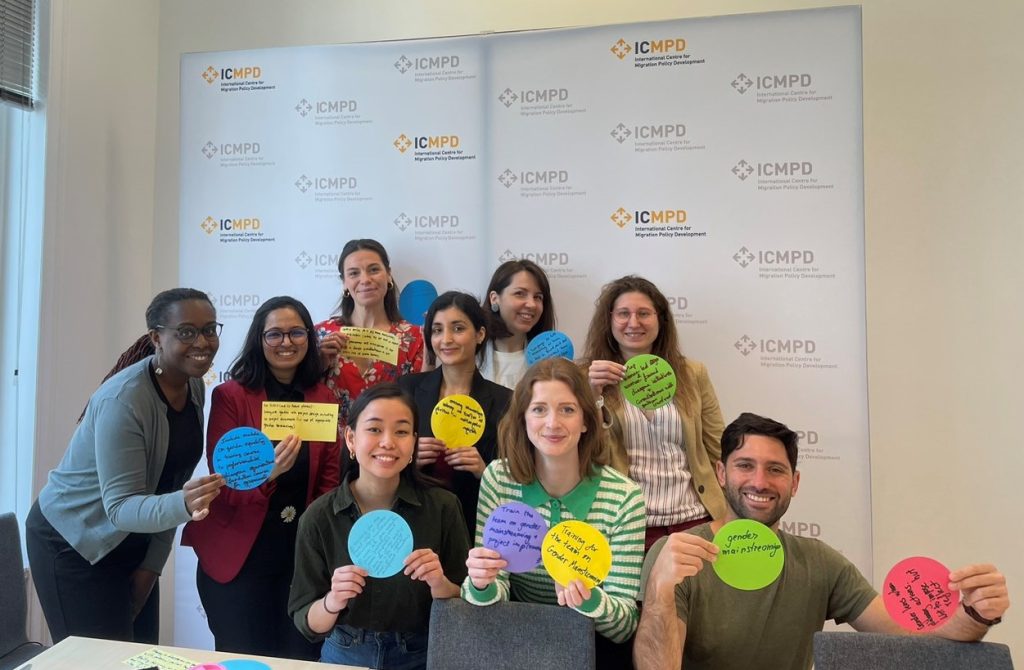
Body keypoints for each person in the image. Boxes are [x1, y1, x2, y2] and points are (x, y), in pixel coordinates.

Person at [634, 412, 1012, 670]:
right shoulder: (676, 555)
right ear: (721, 473)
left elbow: (915, 640)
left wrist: (975, 614)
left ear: (794, 484)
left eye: (776, 470)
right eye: (745, 465)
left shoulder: (820, 563)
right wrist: (660, 592)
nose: (760, 482)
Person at [26, 288, 225, 643]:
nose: (202, 342)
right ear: (156, 337)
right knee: (97, 665)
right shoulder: (124, 400)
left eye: (209, 329)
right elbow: (120, 506)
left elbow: (171, 482)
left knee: (139, 660)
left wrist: (151, 565)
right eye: (186, 332)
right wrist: (184, 503)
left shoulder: (193, 385)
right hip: (74, 542)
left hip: (133, 537)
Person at [182, 296, 340, 659]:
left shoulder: (323, 398)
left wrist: (317, 542)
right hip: (240, 557)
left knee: (300, 659)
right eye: (275, 334)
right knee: (243, 659)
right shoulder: (231, 396)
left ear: (308, 339)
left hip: (299, 560)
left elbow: (329, 483)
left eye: (297, 333)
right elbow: (223, 481)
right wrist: (268, 475)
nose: (287, 342)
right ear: (259, 339)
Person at [463, 358, 646, 666]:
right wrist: (481, 584)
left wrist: (589, 600)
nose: (552, 423)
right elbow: (494, 592)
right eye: (539, 409)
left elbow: (624, 626)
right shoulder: (499, 478)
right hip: (514, 639)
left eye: (567, 410)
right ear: (523, 418)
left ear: (587, 421)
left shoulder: (624, 498)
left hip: (589, 644)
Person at [288, 384, 469, 670]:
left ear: (414, 442)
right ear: (350, 438)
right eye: (374, 429)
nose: (387, 442)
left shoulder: (443, 507)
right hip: (345, 652)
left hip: (423, 653)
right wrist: (333, 600)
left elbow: (466, 598)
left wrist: (439, 582)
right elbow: (306, 622)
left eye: (401, 431)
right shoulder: (320, 517)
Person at [582, 275, 726, 551]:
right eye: (623, 313)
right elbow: (584, 455)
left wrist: (730, 515)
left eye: (644, 313)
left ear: (661, 320)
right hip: (628, 526)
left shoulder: (692, 374)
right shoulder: (586, 378)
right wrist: (592, 396)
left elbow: (718, 447)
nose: (633, 323)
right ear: (609, 320)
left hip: (696, 521)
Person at [397, 291, 512, 539]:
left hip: (474, 527)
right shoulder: (407, 389)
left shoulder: (506, 401)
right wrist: (406, 460)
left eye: (458, 328)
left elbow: (518, 481)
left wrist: (484, 470)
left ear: (480, 334)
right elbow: (378, 457)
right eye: (437, 330)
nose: (446, 339)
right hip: (409, 523)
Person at [316, 238, 424, 427]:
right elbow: (302, 393)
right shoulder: (321, 335)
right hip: (333, 449)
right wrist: (318, 364)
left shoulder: (414, 338)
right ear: (344, 283)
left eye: (374, 269)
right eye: (354, 273)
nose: (365, 279)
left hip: (389, 447)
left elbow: (420, 400)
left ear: (388, 275)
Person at [479, 259, 556, 389]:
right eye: (520, 294)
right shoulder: (470, 354)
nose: (531, 304)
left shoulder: (552, 359)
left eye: (538, 297)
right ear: (494, 298)